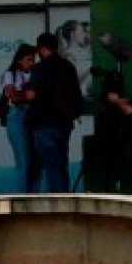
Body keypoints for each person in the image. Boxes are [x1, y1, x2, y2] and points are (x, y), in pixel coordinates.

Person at [25, 31, 84, 194]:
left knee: (51, 166)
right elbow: (75, 93)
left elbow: (33, 95)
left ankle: (59, 202)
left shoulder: (39, 69)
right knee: (61, 163)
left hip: (44, 122)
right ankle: (65, 196)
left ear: (42, 49)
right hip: (64, 122)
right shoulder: (68, 67)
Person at [93, 31, 132, 192]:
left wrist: (117, 101)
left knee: (118, 155)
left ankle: (116, 184)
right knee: (109, 155)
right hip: (111, 123)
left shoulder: (119, 71)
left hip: (116, 125)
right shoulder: (111, 78)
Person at [0, 45, 38, 192]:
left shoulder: (36, 73)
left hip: (34, 115)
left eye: (33, 60)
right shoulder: (10, 74)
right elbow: (14, 96)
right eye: (28, 60)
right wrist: (27, 95)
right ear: (20, 60)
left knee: (36, 159)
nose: (32, 63)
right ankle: (24, 194)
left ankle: (35, 193)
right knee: (23, 159)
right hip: (17, 115)